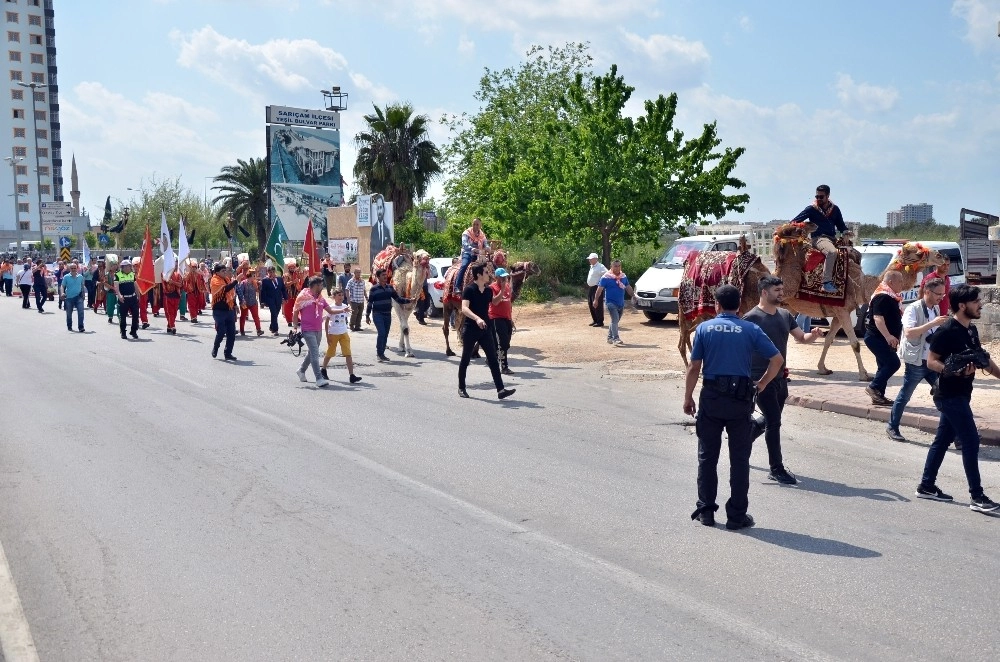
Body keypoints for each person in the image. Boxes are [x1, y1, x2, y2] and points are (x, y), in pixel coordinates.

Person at [684, 284, 783, 530]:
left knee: (707, 457)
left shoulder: (705, 328)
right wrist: (760, 385)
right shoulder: (750, 329)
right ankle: (737, 516)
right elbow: (777, 360)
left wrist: (688, 397)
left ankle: (706, 511)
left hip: (712, 399)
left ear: (716, 305)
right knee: (740, 460)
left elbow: (694, 367)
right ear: (739, 305)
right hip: (740, 402)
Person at [916, 284, 1000, 513]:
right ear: (962, 306)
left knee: (942, 440)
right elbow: (931, 361)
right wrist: (953, 371)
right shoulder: (947, 330)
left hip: (962, 393)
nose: (980, 304)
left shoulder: (971, 330)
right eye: (975, 302)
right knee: (971, 441)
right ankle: (977, 496)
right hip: (949, 395)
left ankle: (926, 486)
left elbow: (982, 359)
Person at [744, 276, 827, 485]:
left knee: (772, 420)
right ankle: (776, 468)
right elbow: (741, 349)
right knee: (774, 421)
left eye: (782, 289)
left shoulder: (785, 315)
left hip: (780, 378)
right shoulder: (751, 318)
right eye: (776, 290)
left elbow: (801, 337)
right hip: (760, 379)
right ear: (764, 292)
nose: (781, 293)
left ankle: (750, 433)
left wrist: (813, 335)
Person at [886, 278, 949, 442]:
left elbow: (932, 333)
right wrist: (932, 324)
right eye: (938, 294)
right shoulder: (913, 309)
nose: (941, 297)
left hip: (931, 360)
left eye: (943, 294)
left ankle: (954, 434)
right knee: (905, 396)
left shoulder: (934, 308)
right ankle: (892, 427)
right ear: (927, 291)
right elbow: (909, 333)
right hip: (916, 362)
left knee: (945, 395)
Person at [458, 264, 516, 400]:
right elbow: (464, 309)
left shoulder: (489, 290)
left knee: (493, 359)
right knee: (465, 359)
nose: (488, 274)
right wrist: (477, 318)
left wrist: (502, 290)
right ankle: (461, 387)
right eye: (485, 272)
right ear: (478, 274)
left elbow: (495, 303)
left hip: (485, 328)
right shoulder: (469, 290)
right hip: (471, 329)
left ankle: (501, 390)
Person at [790, 184, 852, 293]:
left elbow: (841, 226)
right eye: (817, 196)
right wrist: (802, 227)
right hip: (819, 238)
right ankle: (826, 283)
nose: (818, 199)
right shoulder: (811, 209)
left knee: (853, 253)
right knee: (832, 252)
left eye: (821, 197)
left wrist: (846, 232)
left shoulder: (835, 209)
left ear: (828, 196)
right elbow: (794, 222)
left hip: (833, 239)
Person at [864, 270, 905, 406]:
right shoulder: (883, 296)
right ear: (891, 282)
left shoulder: (891, 296)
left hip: (882, 339)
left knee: (883, 367)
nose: (902, 284)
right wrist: (888, 336)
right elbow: (878, 318)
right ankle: (873, 387)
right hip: (876, 338)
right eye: (900, 281)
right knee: (893, 363)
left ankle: (878, 396)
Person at [292, 276, 335, 387]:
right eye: (321, 285)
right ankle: (319, 378)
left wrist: (342, 309)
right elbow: (295, 312)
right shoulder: (302, 297)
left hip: (318, 329)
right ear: (316, 285)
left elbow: (330, 310)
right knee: (315, 353)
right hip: (307, 330)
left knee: (312, 352)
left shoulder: (320, 298)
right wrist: (295, 327)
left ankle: (301, 370)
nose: (322, 286)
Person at [365, 268, 410, 362]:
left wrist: (409, 300)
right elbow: (370, 303)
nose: (385, 276)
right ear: (378, 277)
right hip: (377, 314)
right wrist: (367, 315)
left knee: (385, 334)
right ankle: (379, 353)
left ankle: (382, 354)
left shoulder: (390, 288)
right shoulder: (374, 289)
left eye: (386, 275)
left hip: (387, 315)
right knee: (381, 333)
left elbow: (398, 299)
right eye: (383, 275)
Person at [321, 289, 362, 385]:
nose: (341, 297)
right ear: (334, 297)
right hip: (333, 333)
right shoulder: (330, 307)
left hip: (344, 332)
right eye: (339, 295)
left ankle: (352, 375)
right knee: (330, 353)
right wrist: (327, 336)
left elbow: (346, 317)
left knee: (348, 354)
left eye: (342, 295)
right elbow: (327, 322)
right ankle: (323, 369)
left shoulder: (345, 307)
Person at [592, 260, 634, 346]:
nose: (617, 268)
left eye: (619, 266)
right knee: (615, 320)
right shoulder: (606, 277)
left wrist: (633, 295)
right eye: (615, 266)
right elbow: (599, 289)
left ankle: (609, 337)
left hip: (620, 303)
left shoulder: (623, 277)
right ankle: (616, 338)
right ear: (611, 267)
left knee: (615, 321)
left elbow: (628, 287)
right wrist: (596, 300)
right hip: (610, 303)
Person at [209, 263, 239, 360]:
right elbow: (225, 289)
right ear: (217, 272)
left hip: (229, 310)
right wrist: (236, 281)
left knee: (231, 333)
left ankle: (228, 353)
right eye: (223, 271)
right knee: (221, 331)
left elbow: (231, 294)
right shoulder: (214, 280)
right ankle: (215, 347)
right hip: (219, 311)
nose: (225, 272)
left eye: (225, 270)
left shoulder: (227, 279)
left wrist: (235, 305)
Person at [489, 267, 515, 375]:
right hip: (496, 318)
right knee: (502, 343)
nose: (504, 279)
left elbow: (508, 303)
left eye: (505, 277)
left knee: (506, 343)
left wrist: (511, 319)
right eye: (502, 277)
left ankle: (492, 356)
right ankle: (504, 367)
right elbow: (495, 302)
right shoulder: (492, 288)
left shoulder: (508, 287)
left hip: (506, 318)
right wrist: (502, 289)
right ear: (496, 277)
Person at [453, 217, 488, 294]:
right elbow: (464, 244)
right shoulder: (467, 233)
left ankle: (495, 284)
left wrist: (488, 248)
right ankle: (457, 287)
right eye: (474, 224)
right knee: (464, 265)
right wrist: (473, 249)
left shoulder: (482, 234)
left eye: (477, 224)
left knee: (490, 265)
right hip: (467, 253)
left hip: (479, 255)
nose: (475, 226)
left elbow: (486, 244)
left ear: (480, 226)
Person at [113, 259, 141, 339]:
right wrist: (119, 295)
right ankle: (123, 332)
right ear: (122, 267)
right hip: (123, 299)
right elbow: (116, 286)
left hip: (133, 298)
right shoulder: (117, 275)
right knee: (123, 316)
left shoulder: (132, 274)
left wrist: (138, 294)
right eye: (126, 266)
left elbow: (135, 284)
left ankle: (134, 331)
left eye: (129, 266)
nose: (128, 268)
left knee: (135, 315)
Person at [259, 265, 286, 336]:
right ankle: (276, 329)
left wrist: (285, 298)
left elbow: (283, 289)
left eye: (273, 272)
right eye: (270, 272)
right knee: (273, 313)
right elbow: (263, 292)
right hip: (270, 299)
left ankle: (272, 326)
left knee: (276, 313)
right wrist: (262, 302)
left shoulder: (279, 279)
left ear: (275, 272)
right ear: (267, 272)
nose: (271, 273)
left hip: (278, 299)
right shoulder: (265, 280)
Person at [237, 263, 263, 336]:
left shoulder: (255, 283)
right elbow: (240, 293)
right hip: (245, 303)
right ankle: (242, 330)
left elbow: (259, 290)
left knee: (256, 316)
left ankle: (258, 330)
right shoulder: (243, 283)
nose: (254, 277)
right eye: (253, 275)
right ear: (250, 276)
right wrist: (242, 301)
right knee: (243, 317)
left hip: (253, 302)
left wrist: (260, 284)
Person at [60, 261, 86, 332]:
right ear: (70, 269)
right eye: (72, 268)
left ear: (77, 268)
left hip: (79, 297)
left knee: (81, 312)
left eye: (75, 268)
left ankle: (81, 327)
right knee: (69, 313)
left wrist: (83, 294)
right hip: (69, 298)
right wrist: (62, 293)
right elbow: (62, 286)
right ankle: (69, 326)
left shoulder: (80, 277)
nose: (73, 269)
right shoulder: (66, 277)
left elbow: (82, 286)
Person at [369, 196, 393, 268]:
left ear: (383, 209)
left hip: (385, 265)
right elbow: (371, 250)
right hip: (377, 265)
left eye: (381, 208)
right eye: (378, 208)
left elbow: (390, 250)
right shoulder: (373, 229)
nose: (379, 211)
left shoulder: (387, 230)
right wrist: (371, 267)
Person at [586, 252, 608, 327]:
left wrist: (601, 282)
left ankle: (600, 321)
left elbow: (607, 274)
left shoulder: (600, 266)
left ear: (595, 259)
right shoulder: (592, 266)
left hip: (597, 287)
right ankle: (595, 320)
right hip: (591, 288)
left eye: (591, 259)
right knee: (591, 303)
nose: (589, 260)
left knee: (597, 304)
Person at [162, 266, 183, 335]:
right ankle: (173, 326)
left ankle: (169, 325)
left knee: (174, 313)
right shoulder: (164, 274)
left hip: (176, 295)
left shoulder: (178, 274)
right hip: (168, 295)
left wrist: (173, 282)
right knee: (170, 312)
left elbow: (180, 285)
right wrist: (168, 280)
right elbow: (164, 284)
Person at [282, 264, 303, 328]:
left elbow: (301, 281)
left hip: (296, 294)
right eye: (291, 268)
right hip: (288, 294)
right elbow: (285, 284)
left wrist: (300, 276)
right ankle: (289, 321)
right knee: (288, 308)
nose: (292, 269)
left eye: (293, 268)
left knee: (297, 308)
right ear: (288, 268)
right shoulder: (286, 275)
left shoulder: (296, 274)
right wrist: (293, 281)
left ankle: (298, 320)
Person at [347, 267, 367, 332]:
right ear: (354, 273)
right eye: (357, 272)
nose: (358, 274)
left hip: (361, 300)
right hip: (354, 300)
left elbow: (364, 290)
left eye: (359, 272)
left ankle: (357, 326)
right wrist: (348, 299)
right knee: (354, 312)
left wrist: (366, 297)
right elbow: (347, 290)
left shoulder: (363, 281)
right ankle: (351, 325)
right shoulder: (351, 281)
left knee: (360, 313)